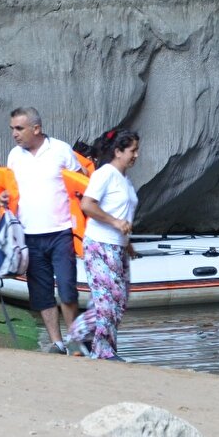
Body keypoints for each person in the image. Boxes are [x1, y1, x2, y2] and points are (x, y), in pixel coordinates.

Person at [4, 106, 83, 354]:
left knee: (68, 288)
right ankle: (57, 343)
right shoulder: (14, 156)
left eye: (19, 128)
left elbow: (81, 185)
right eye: (12, 129)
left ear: (36, 128)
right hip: (28, 234)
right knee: (41, 292)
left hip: (61, 231)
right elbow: (10, 191)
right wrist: (4, 198)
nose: (14, 134)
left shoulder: (61, 150)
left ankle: (76, 339)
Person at [64, 129, 140, 362]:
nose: (136, 155)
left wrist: (127, 245)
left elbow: (123, 214)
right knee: (108, 301)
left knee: (118, 301)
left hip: (118, 247)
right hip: (99, 244)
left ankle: (84, 338)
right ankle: (102, 351)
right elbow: (87, 205)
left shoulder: (125, 180)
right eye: (132, 150)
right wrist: (115, 222)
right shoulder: (105, 174)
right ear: (118, 151)